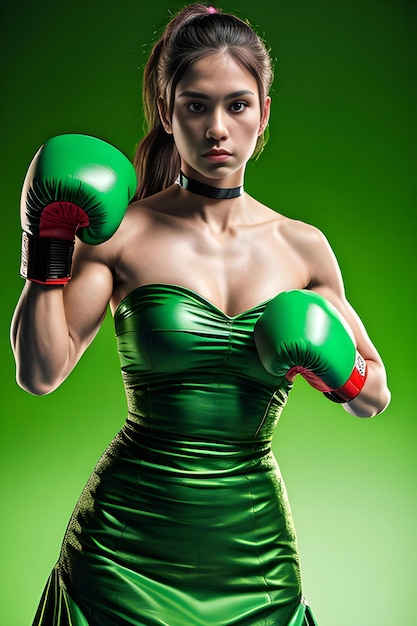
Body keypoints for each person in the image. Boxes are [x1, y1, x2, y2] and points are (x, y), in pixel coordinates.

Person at [11, 4, 391, 625]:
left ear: (263, 113)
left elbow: (373, 396)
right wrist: (47, 250)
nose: (218, 127)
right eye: (196, 105)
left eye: (237, 105)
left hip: (253, 552)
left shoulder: (301, 248)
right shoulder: (123, 234)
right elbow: (41, 371)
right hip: (122, 551)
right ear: (168, 113)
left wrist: (340, 370)